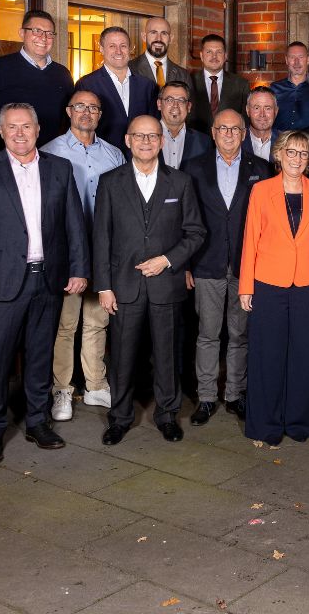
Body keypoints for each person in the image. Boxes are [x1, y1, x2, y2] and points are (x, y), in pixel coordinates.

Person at [0, 103, 89, 466]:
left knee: (40, 355)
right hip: (1, 281)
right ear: (1, 132)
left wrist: (79, 270)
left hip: (48, 278)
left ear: (37, 129)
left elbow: (73, 225)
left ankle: (37, 421)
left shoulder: (60, 169)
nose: (20, 133)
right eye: (12, 127)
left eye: (26, 127)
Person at [93, 115, 206, 446]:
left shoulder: (181, 182)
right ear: (127, 141)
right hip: (123, 285)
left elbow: (196, 232)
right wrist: (103, 285)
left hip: (166, 284)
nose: (146, 142)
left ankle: (168, 415)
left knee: (167, 355)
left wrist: (167, 260)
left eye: (152, 136)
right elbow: (101, 236)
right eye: (139, 136)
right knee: (123, 357)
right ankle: (119, 418)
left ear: (162, 141)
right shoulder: (110, 182)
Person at [239, 130, 309, 445]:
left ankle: (299, 422)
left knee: (305, 355)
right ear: (279, 155)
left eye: (303, 153)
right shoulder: (261, 191)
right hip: (268, 282)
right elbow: (250, 239)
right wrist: (246, 286)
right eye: (291, 152)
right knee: (268, 355)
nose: (297, 158)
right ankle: (265, 425)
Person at [182, 109, 271, 425]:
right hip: (206, 263)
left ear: (244, 133)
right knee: (207, 334)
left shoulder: (261, 169)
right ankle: (206, 398)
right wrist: (186, 265)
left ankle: (235, 394)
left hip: (247, 266)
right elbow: (185, 220)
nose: (229, 134)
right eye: (223, 128)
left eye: (235, 129)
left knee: (240, 334)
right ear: (213, 132)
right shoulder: (193, 169)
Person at [41, 89, 125, 421]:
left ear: (100, 114)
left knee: (97, 321)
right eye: (80, 107)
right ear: (68, 111)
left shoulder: (114, 154)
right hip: (67, 251)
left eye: (93, 108)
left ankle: (95, 385)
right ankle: (62, 389)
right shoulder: (49, 151)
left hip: (103, 248)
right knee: (66, 324)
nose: (86, 113)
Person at [0, 9, 73, 144]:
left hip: (52, 156)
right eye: (37, 31)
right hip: (8, 157)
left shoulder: (63, 74)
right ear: (22, 33)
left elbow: (69, 119)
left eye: (49, 34)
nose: (43, 38)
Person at [76, 26, 158, 152]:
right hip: (102, 159)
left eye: (123, 46)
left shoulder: (147, 86)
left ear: (130, 49)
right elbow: (79, 128)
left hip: (139, 159)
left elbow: (154, 127)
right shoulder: (87, 84)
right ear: (102, 49)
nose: (118, 51)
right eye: (112, 46)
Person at [190, 33, 251, 134]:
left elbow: (245, 121)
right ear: (201, 56)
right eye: (209, 52)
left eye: (219, 52)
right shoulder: (189, 82)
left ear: (225, 56)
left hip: (230, 143)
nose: (214, 56)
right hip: (196, 144)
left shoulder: (241, 84)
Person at [157, 80, 212, 169]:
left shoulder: (204, 142)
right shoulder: (143, 138)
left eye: (181, 100)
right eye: (169, 100)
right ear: (159, 104)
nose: (175, 105)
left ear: (189, 107)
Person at [271, 41, 309, 132]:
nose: (296, 62)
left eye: (301, 57)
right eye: (292, 57)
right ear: (286, 60)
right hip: (280, 144)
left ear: (308, 60)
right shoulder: (273, 89)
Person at [130, 16, 189, 89]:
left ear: (170, 39)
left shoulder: (183, 75)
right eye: (153, 33)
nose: (159, 39)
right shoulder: (129, 69)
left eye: (164, 33)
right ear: (144, 37)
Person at [245, 86, 280, 165]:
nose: (262, 114)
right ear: (247, 111)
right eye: (257, 108)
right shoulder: (236, 141)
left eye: (268, 108)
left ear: (276, 111)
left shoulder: (287, 142)